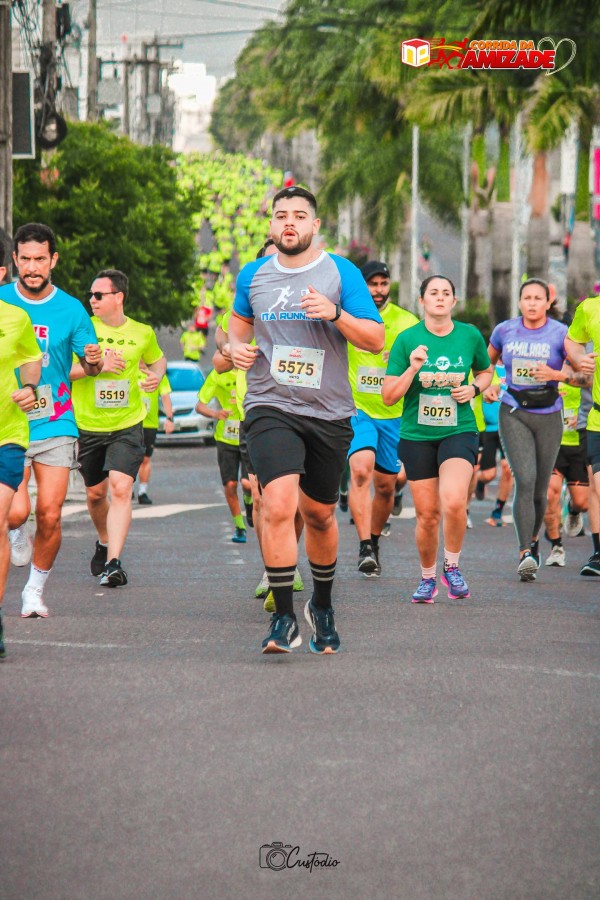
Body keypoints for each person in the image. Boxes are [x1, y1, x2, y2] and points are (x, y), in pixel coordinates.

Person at [229, 185, 384, 654]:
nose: (289, 222)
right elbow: (234, 337)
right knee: (276, 505)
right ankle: (282, 617)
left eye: (299, 215)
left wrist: (335, 313)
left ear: (315, 225)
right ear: (272, 225)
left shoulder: (341, 272)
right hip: (270, 404)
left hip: (328, 410)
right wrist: (232, 350)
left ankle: (322, 605)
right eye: (281, 215)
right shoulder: (253, 275)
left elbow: (375, 340)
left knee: (317, 514)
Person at [0, 223, 103, 618]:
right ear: (14, 261)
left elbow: (89, 367)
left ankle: (34, 590)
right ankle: (14, 529)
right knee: (15, 512)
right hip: (9, 419)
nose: (31, 267)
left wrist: (92, 361)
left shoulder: (72, 309)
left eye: (39, 259)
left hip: (55, 420)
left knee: (51, 512)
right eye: (24, 259)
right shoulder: (3, 301)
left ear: (53, 260)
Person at [382, 275, 492, 603]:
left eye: (446, 293)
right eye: (434, 293)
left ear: (454, 301)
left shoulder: (469, 336)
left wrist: (473, 388)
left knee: (455, 500)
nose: (440, 298)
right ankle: (428, 577)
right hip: (417, 435)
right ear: (423, 301)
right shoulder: (406, 340)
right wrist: (413, 369)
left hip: (458, 430)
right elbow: (389, 396)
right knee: (428, 515)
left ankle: (452, 566)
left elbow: (486, 372)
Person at [71, 269, 166, 587]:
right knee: (96, 495)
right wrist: (94, 369)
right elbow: (63, 371)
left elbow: (158, 360)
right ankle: (102, 540)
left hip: (127, 423)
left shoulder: (142, 332)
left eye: (98, 295)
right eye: (90, 295)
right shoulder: (82, 328)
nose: (92, 300)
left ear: (118, 297)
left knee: (122, 489)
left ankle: (113, 562)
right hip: (88, 424)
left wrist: (155, 376)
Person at [488, 278, 568, 581]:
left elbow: (579, 375)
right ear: (519, 301)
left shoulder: (561, 334)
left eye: (538, 298)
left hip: (549, 414)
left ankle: (534, 542)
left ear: (548, 302)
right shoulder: (505, 330)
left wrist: (556, 373)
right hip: (514, 410)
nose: (532, 303)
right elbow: (485, 364)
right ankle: (524, 551)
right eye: (527, 298)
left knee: (541, 489)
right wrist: (491, 383)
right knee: (526, 477)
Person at [347, 260, 418, 576]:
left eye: (383, 283)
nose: (377, 290)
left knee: (387, 487)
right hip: (356, 408)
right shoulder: (347, 316)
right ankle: (364, 546)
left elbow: (422, 363)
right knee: (360, 470)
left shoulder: (406, 322)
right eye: (371, 283)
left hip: (395, 414)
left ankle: (373, 541)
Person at [0, 246, 43, 654]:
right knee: (12, 515)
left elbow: (31, 361)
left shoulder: (15, 317)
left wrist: (30, 388)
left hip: (6, 431)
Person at [565, 293, 600, 576]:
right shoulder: (590, 308)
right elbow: (572, 341)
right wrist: (579, 359)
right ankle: (598, 553)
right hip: (598, 417)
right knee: (598, 487)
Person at [195, 366, 252, 543]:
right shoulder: (218, 373)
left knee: (248, 484)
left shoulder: (252, 369)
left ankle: (249, 503)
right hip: (225, 438)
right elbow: (199, 405)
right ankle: (240, 526)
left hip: (249, 435)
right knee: (230, 484)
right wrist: (216, 413)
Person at [543, 373, 591, 566]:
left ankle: (573, 510)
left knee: (583, 503)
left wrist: (580, 418)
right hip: (553, 444)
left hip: (578, 443)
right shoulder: (550, 366)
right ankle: (556, 546)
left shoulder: (586, 367)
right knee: (550, 495)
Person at [136, 362, 174, 505]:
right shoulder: (129, 370)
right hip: (129, 422)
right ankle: (126, 489)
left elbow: (165, 397)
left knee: (145, 459)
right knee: (128, 458)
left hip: (149, 423)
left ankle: (142, 491)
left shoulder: (157, 375)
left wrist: (169, 418)